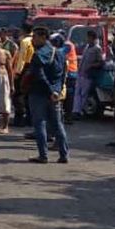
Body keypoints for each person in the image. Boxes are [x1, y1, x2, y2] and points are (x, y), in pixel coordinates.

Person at [27, 26, 69, 164]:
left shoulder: (38, 54)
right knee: (57, 125)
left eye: (35, 37)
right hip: (55, 95)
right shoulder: (60, 53)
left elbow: (38, 75)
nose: (32, 40)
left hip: (40, 94)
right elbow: (63, 75)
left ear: (43, 37)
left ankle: (43, 155)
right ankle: (64, 155)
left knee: (40, 124)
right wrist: (57, 91)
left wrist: (50, 90)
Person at [73, 29, 105, 119]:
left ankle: (80, 112)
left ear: (93, 38)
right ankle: (75, 111)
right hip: (80, 73)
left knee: (84, 94)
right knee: (77, 93)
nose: (87, 39)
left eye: (89, 37)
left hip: (88, 75)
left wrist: (91, 65)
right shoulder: (87, 47)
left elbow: (101, 62)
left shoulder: (97, 48)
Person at [12, 23, 35, 127]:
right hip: (34, 67)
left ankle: (19, 118)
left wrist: (17, 72)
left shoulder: (25, 41)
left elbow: (21, 58)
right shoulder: (34, 39)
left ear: (23, 30)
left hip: (25, 67)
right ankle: (30, 118)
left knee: (19, 94)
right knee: (30, 95)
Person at [62, 33, 79, 124]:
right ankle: (67, 116)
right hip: (70, 73)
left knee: (68, 96)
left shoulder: (67, 45)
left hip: (70, 73)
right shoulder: (68, 44)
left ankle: (68, 116)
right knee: (68, 96)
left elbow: (60, 52)